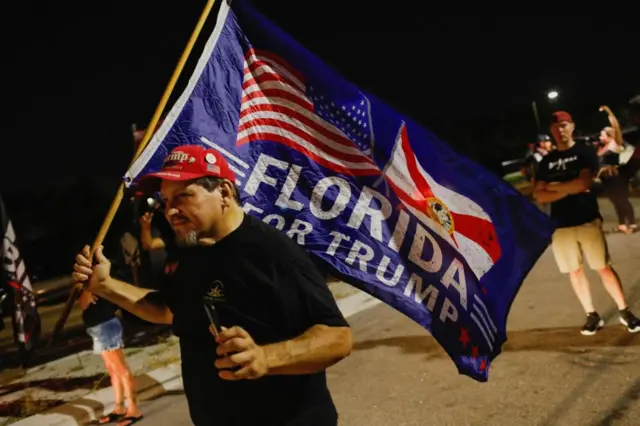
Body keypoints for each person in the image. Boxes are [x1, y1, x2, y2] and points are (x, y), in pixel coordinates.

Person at [72, 145, 353, 426]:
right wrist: (106, 286)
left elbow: (338, 337)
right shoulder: (196, 251)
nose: (170, 211)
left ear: (225, 193)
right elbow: (169, 310)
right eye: (166, 200)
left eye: (183, 196)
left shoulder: (273, 251)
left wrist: (265, 357)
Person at [533, 111, 640, 335]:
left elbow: (583, 184)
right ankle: (591, 314)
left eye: (564, 125)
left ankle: (624, 311)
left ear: (572, 126)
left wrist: (554, 187)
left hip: (587, 220)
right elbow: (539, 195)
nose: (560, 130)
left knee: (603, 267)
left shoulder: (583, 151)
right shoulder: (546, 162)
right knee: (574, 271)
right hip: (559, 225)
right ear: (551, 131)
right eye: (555, 127)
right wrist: (568, 187)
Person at [78, 290, 143, 425]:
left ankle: (133, 409)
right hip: (98, 327)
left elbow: (83, 304)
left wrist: (85, 290)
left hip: (105, 326)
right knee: (113, 370)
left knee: (121, 369)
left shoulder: (94, 282)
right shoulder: (90, 283)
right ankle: (119, 407)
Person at [597, 126, 637, 233]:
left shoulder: (614, 145)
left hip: (618, 177)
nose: (600, 137)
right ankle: (622, 224)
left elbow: (617, 130)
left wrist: (608, 112)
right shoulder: (604, 146)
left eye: (602, 135)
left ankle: (632, 224)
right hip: (608, 178)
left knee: (622, 200)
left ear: (610, 136)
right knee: (615, 201)